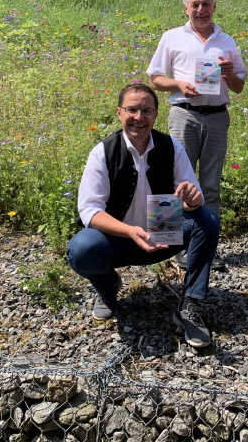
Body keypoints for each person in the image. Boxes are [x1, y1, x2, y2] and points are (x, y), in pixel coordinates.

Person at [66, 83, 220, 348]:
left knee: (207, 219)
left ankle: (190, 303)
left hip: (163, 233)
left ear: (156, 115)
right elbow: (90, 211)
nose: (139, 117)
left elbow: (194, 198)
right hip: (117, 239)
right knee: (81, 248)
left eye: (146, 111)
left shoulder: (171, 147)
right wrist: (129, 232)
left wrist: (193, 200)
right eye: (132, 110)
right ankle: (107, 287)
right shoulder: (103, 152)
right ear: (119, 113)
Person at [148, 0, 246, 270]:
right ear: (186, 7)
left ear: (215, 7)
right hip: (184, 114)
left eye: (206, 4)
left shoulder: (227, 41)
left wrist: (229, 74)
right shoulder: (172, 37)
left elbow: (239, 87)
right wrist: (178, 83)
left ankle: (206, 249)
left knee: (211, 185)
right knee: (176, 181)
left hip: (217, 116)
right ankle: (169, 246)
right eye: (195, 4)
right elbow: (155, 77)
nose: (201, 10)